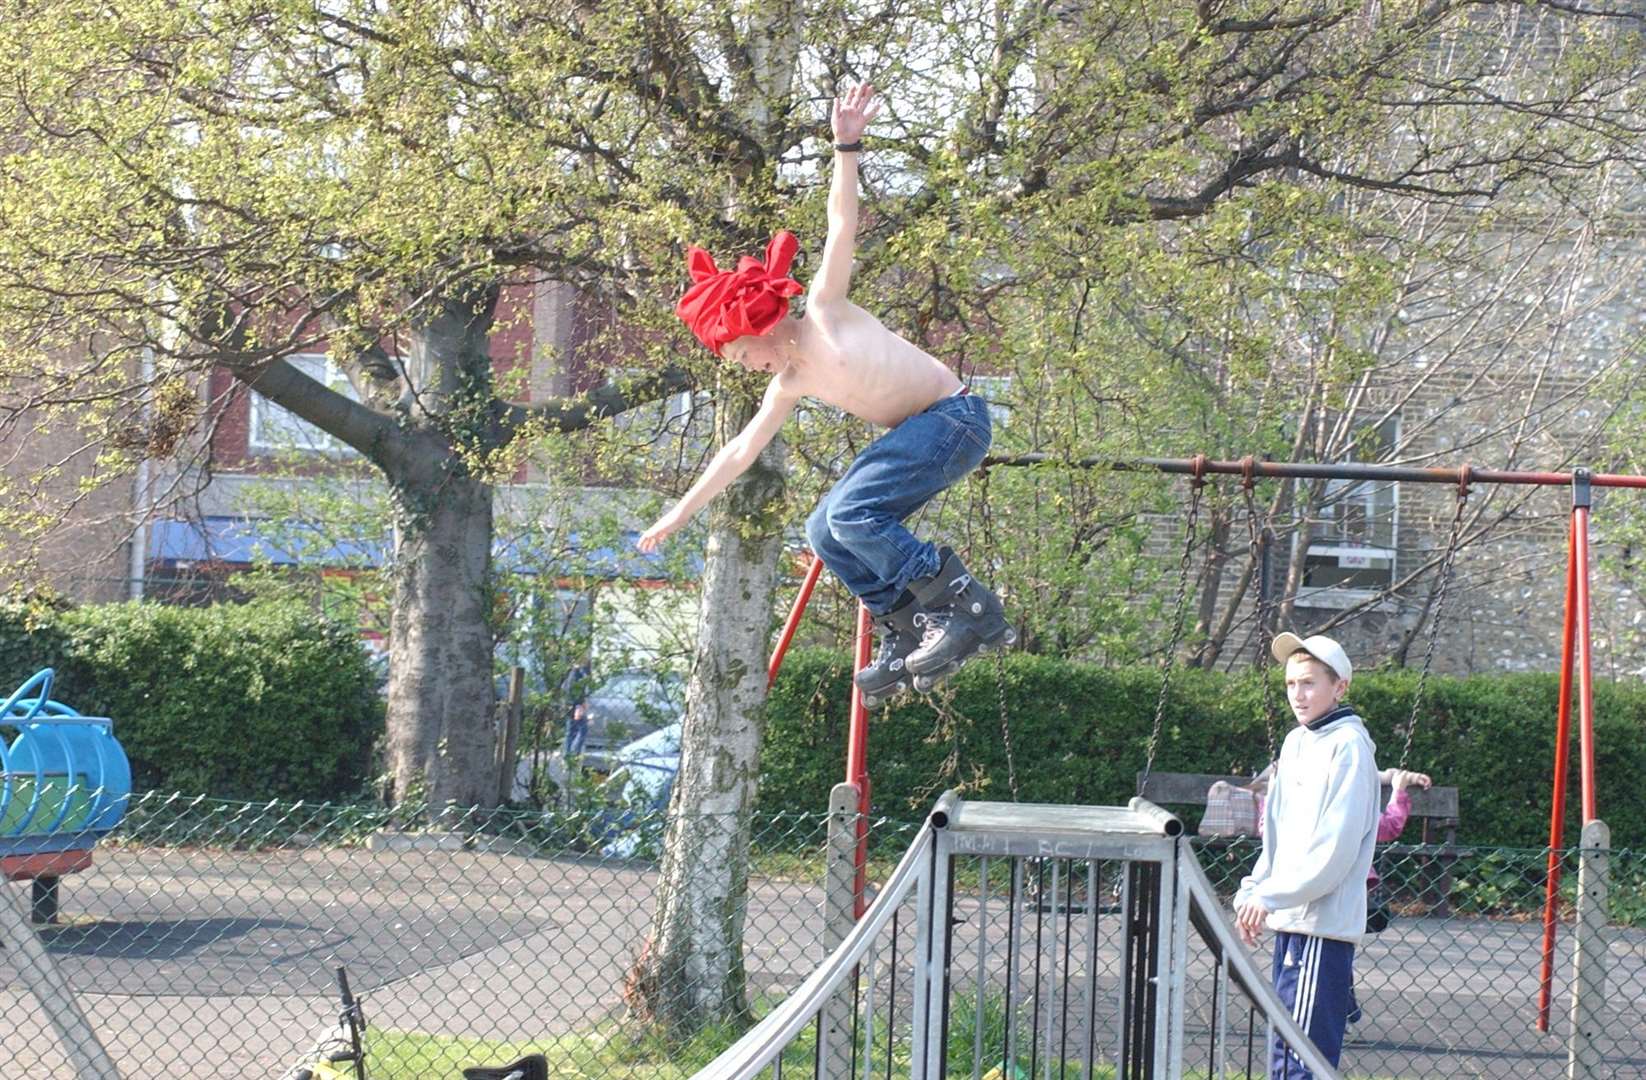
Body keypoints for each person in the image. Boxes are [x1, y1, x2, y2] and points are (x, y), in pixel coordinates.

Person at [637, 83, 1013, 702]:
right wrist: (679, 513)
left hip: (956, 420)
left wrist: (846, 145)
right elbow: (739, 452)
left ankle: (961, 605)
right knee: (823, 530)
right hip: (921, 435)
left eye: (739, 354)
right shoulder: (791, 381)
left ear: (755, 327)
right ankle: (904, 622)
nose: (745, 367)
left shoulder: (825, 311)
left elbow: (842, 226)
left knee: (851, 513)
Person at [1233, 632, 1380, 1078]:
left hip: (1321, 925)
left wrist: (1272, 897)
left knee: (1303, 1057)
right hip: (1291, 920)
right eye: (1291, 684)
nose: (1298, 694)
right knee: (1284, 1048)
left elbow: (1333, 851)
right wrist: (1255, 888)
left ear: (1340, 687)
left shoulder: (1349, 747)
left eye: (1310, 683)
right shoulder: (1297, 742)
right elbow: (1277, 837)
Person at [561, 660, 592, 759]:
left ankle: (567, 753)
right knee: (582, 729)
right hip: (576, 705)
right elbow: (580, 687)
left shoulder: (570, 672)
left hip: (569, 705)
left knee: (570, 731)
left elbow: (565, 688)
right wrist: (580, 704)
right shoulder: (579, 673)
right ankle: (575, 752)